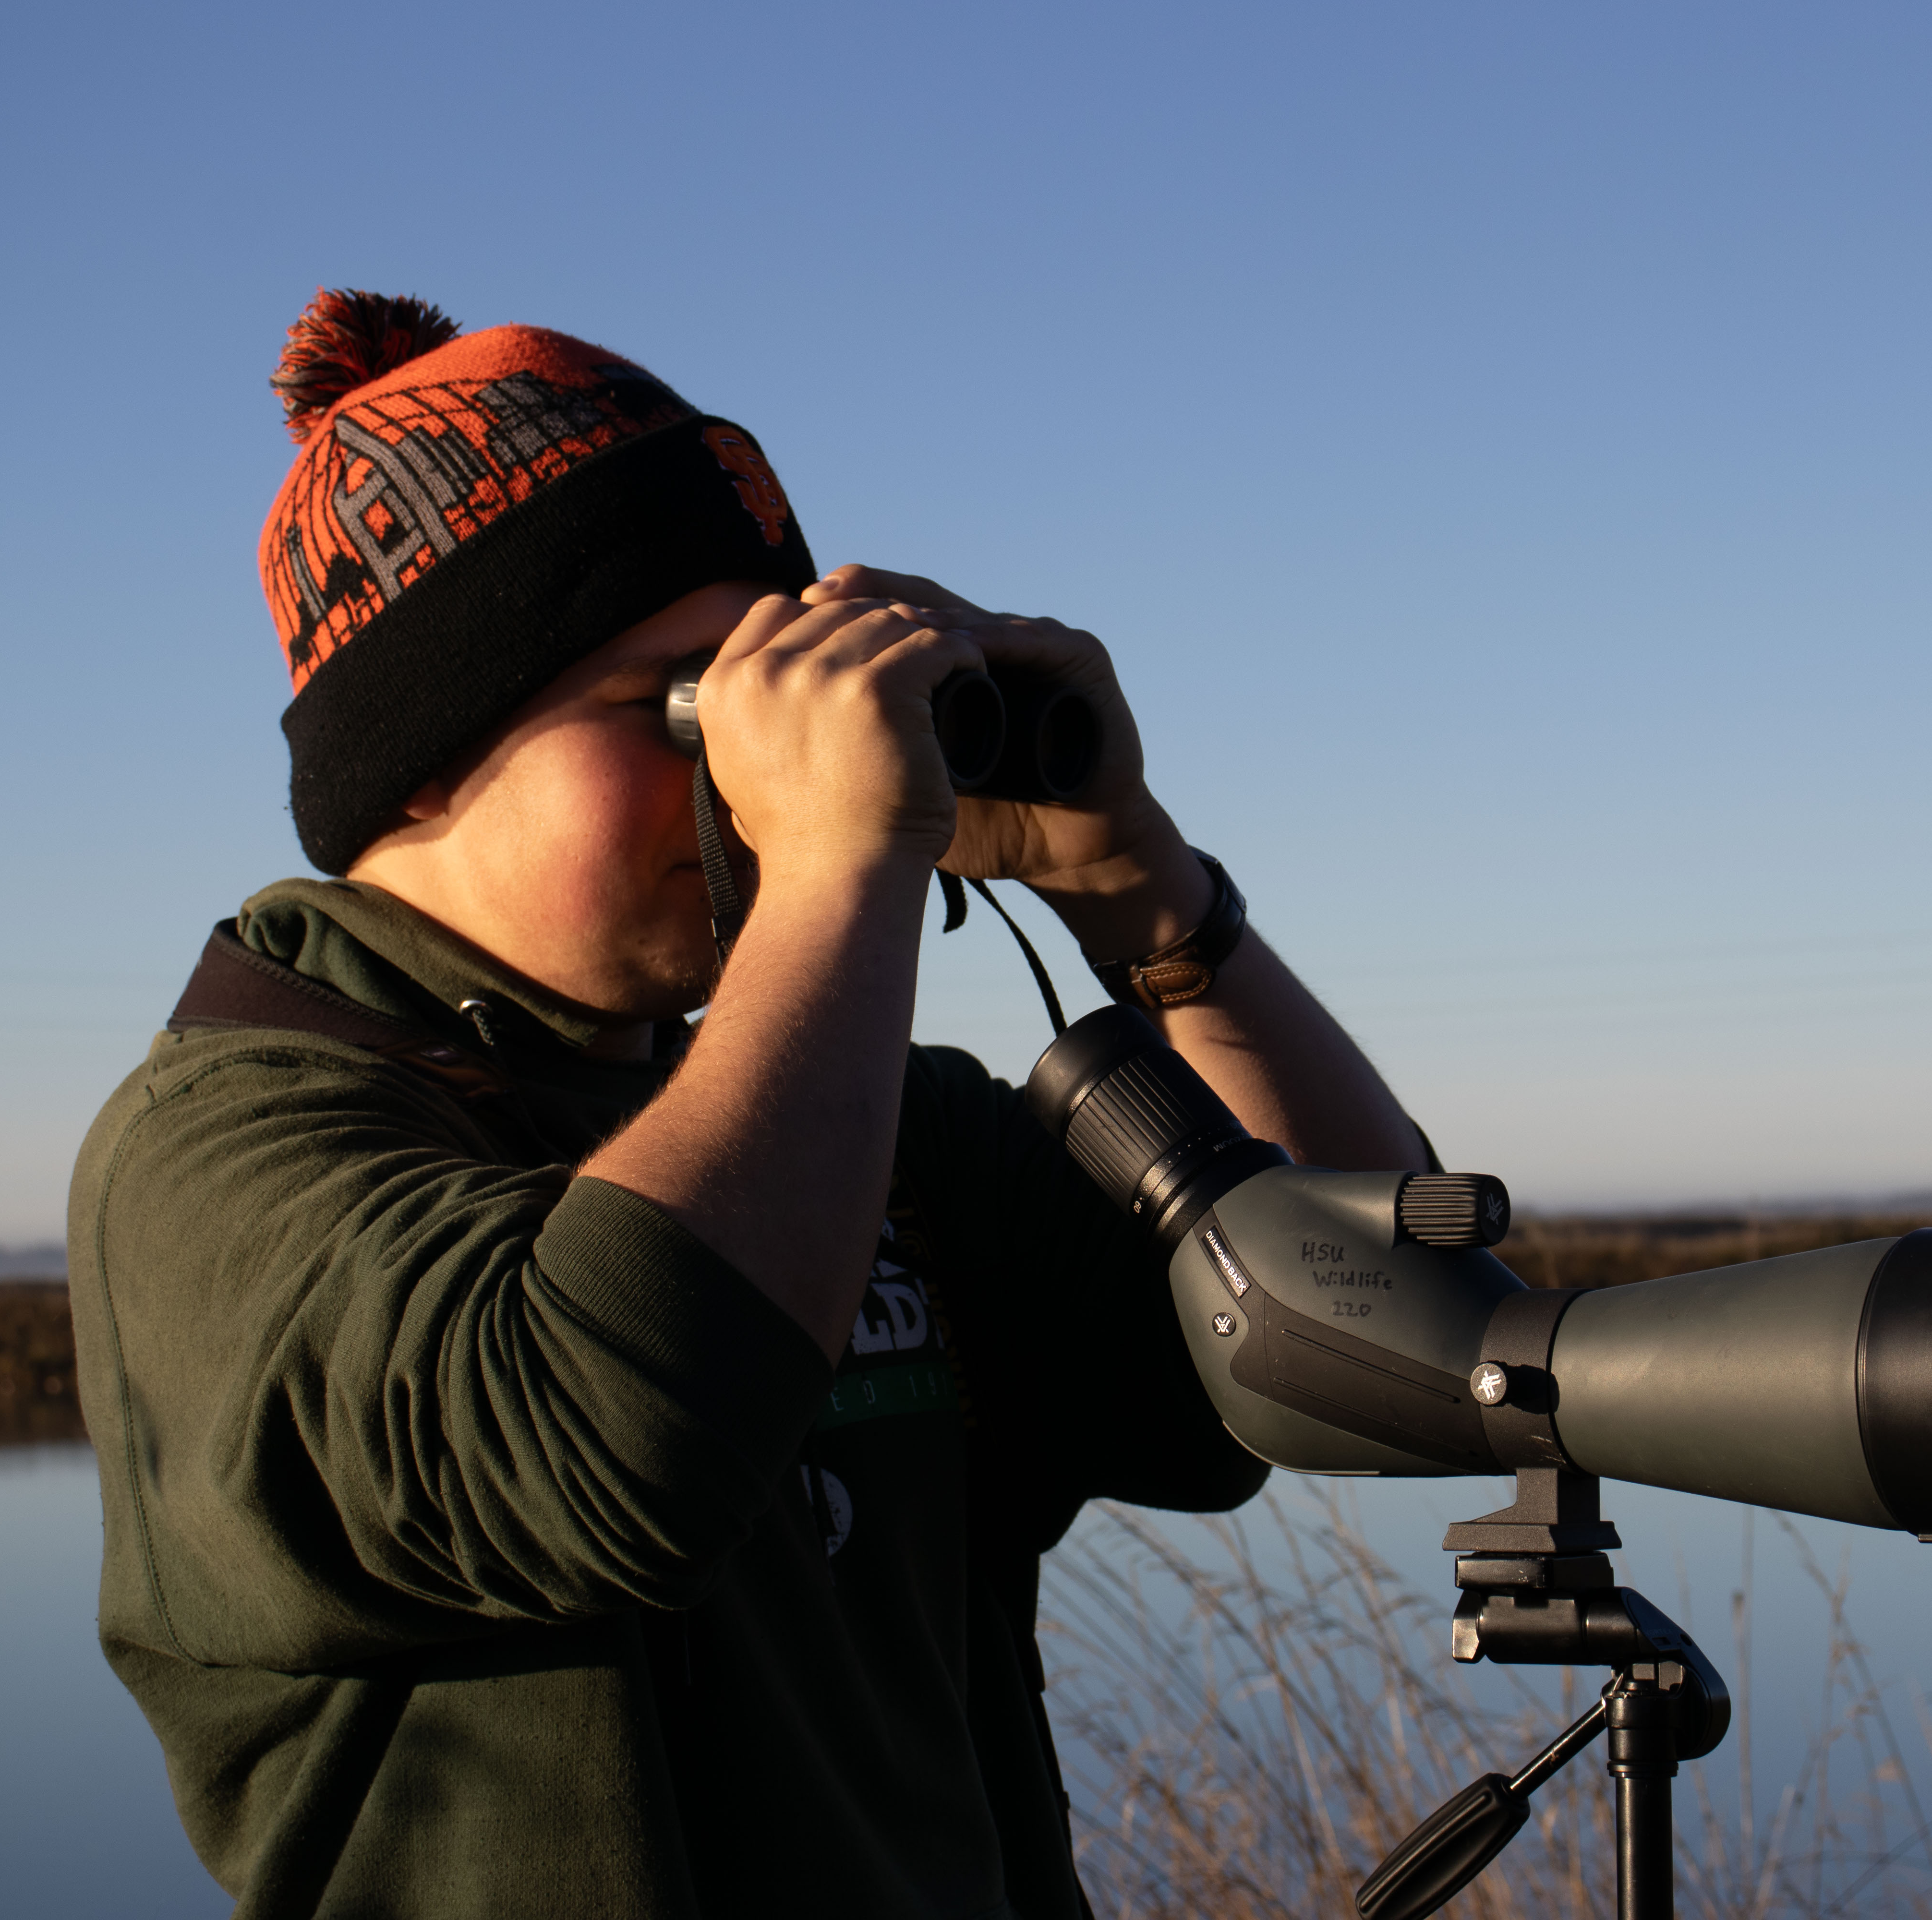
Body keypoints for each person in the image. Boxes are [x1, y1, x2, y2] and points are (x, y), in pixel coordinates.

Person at [69, 289, 1430, 1918]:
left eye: (771, 699)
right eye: (683, 704)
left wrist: (1135, 881)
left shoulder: (885, 1134)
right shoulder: (222, 1160)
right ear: (427, 751)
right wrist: (844, 855)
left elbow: (1388, 1348)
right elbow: (609, 1434)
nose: (751, 778)